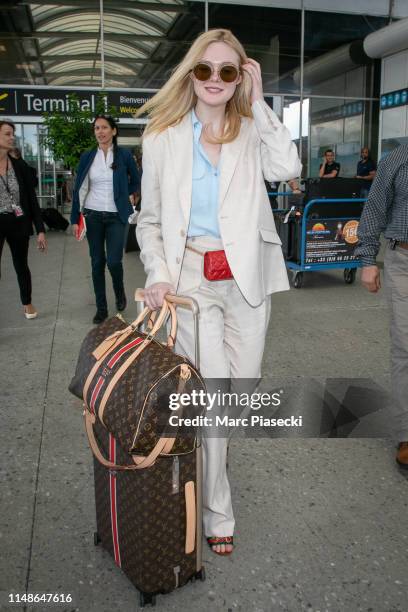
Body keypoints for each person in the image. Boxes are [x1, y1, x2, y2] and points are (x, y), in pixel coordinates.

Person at [135, 29, 301, 555]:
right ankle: (216, 510)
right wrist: (158, 272)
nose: (214, 80)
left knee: (236, 398)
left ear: (239, 78)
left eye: (227, 71)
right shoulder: (161, 137)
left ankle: (208, 466)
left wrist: (263, 103)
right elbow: (151, 220)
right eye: (204, 69)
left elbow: (288, 169)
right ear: (191, 72)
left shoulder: (251, 128)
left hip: (246, 282)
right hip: (192, 286)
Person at [354, 144, 408, 469]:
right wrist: (367, 260)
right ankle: (406, 433)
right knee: (405, 347)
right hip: (404, 260)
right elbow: (374, 209)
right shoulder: (397, 160)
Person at [71, 115, 140, 324]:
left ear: (114, 131)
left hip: (116, 216)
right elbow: (78, 188)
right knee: (97, 262)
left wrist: (125, 195)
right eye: (96, 128)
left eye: (104, 128)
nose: (100, 132)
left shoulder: (124, 155)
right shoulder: (88, 156)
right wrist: (75, 218)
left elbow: (136, 181)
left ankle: (119, 294)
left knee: (114, 261)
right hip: (92, 215)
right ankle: (101, 307)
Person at [0, 120, 47, 319]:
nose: (12, 137)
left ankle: (27, 302)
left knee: (21, 264)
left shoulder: (19, 165)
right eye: (7, 134)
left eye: (13, 134)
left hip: (18, 221)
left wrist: (40, 229)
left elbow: (31, 197)